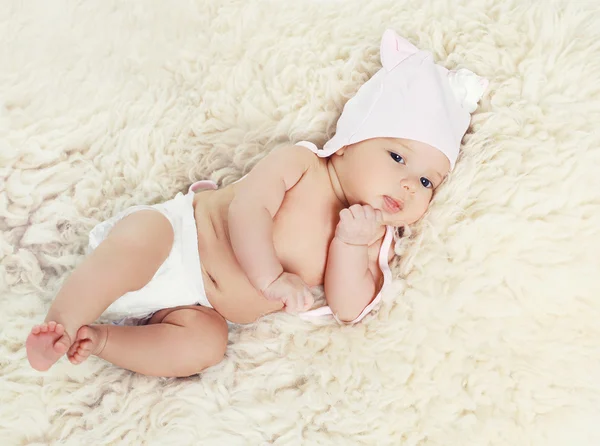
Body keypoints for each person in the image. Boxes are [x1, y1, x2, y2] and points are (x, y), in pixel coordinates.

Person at [25, 29, 488, 377]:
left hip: (197, 309)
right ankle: (62, 323)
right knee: (135, 248)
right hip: (178, 238)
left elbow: (350, 308)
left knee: (205, 348)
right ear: (349, 142)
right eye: (397, 156)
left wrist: (350, 246)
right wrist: (270, 277)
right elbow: (247, 209)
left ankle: (103, 339)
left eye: (427, 180)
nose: (409, 184)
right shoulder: (301, 164)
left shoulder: (370, 236)